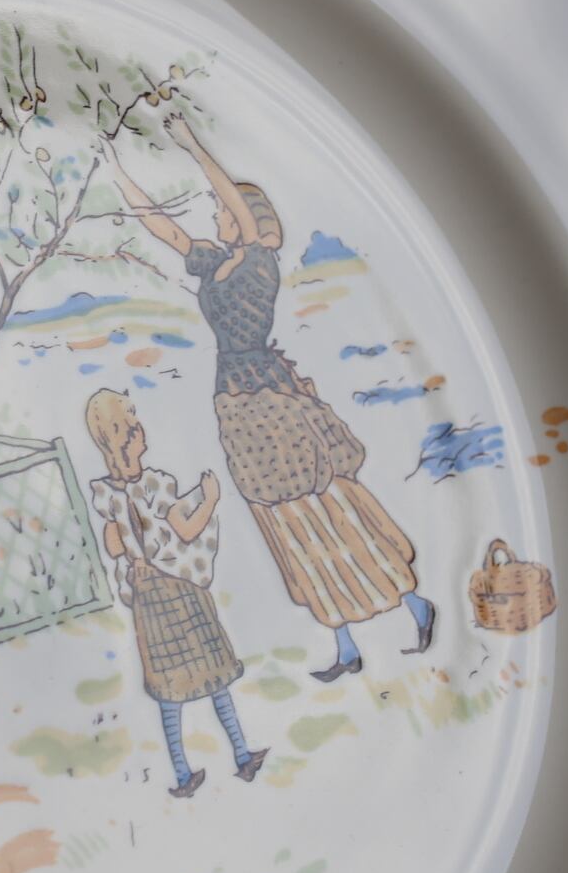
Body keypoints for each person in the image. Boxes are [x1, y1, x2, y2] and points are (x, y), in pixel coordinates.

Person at [111, 115, 436, 681]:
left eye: (225, 210)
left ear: (249, 218)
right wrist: (117, 172)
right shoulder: (215, 263)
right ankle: (346, 645)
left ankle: (412, 603)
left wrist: (191, 145)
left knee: (326, 507)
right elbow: (166, 231)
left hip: (269, 397)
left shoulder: (260, 263)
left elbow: (235, 206)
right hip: (237, 404)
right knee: (288, 524)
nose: (217, 216)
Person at [85, 390, 266, 798]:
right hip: (178, 589)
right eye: (134, 421)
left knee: (170, 685)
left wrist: (135, 547)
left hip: (147, 598)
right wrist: (210, 499)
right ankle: (241, 755)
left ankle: (184, 775)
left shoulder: (108, 494)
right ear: (127, 435)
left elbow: (113, 546)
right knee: (214, 672)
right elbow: (186, 530)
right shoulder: (155, 484)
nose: (142, 428)